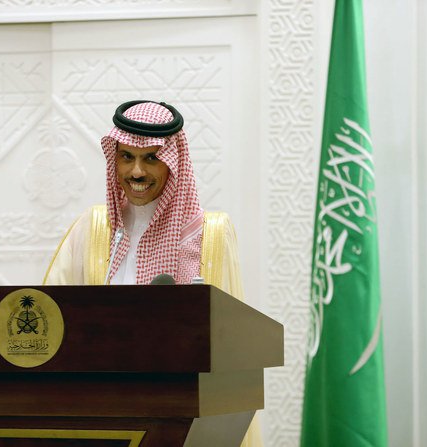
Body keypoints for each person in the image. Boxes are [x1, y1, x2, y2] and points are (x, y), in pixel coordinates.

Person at [43, 100, 262, 447]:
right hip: (100, 416)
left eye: (151, 158)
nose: (137, 172)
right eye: (126, 157)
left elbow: (231, 352)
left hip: (182, 421)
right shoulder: (92, 228)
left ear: (174, 163)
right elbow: (49, 322)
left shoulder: (211, 235)